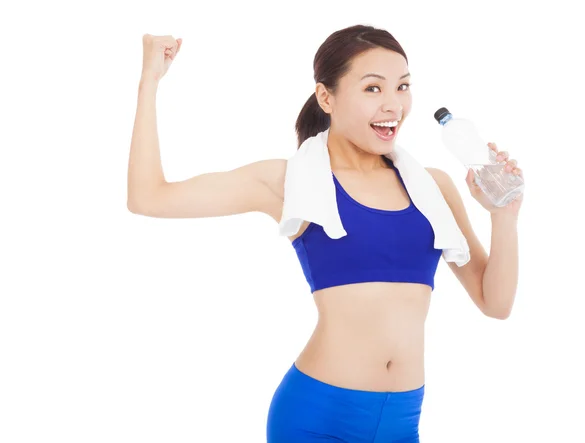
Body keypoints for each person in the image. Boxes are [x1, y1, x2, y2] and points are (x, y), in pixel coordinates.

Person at [128, 25, 523, 443]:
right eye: (373, 89)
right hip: (317, 417)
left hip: (402, 420)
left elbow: (494, 303)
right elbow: (148, 198)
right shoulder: (291, 182)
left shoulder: (433, 186)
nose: (394, 104)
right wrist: (149, 81)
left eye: (403, 86)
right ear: (326, 97)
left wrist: (504, 214)